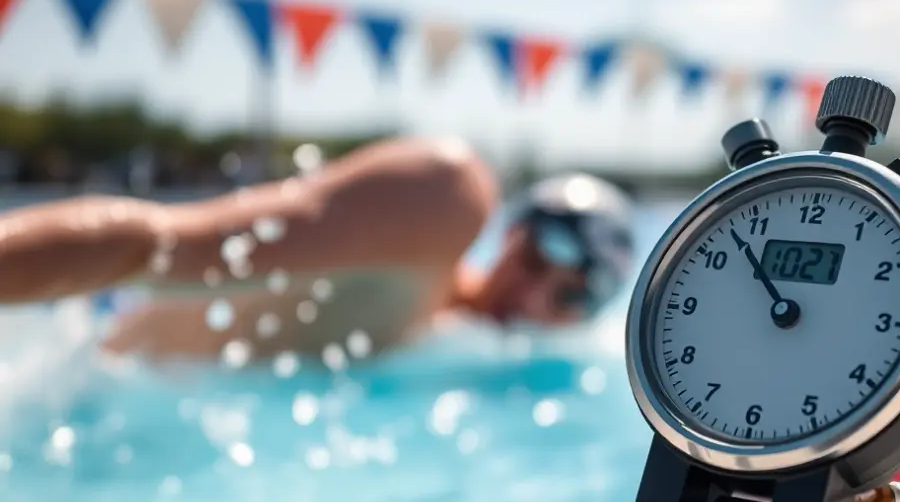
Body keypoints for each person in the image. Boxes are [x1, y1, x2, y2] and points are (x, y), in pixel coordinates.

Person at [0, 137, 636, 361]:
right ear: (511, 229)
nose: (534, 295)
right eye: (540, 252)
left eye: (576, 295)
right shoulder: (441, 203)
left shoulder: (459, 357)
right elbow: (156, 244)